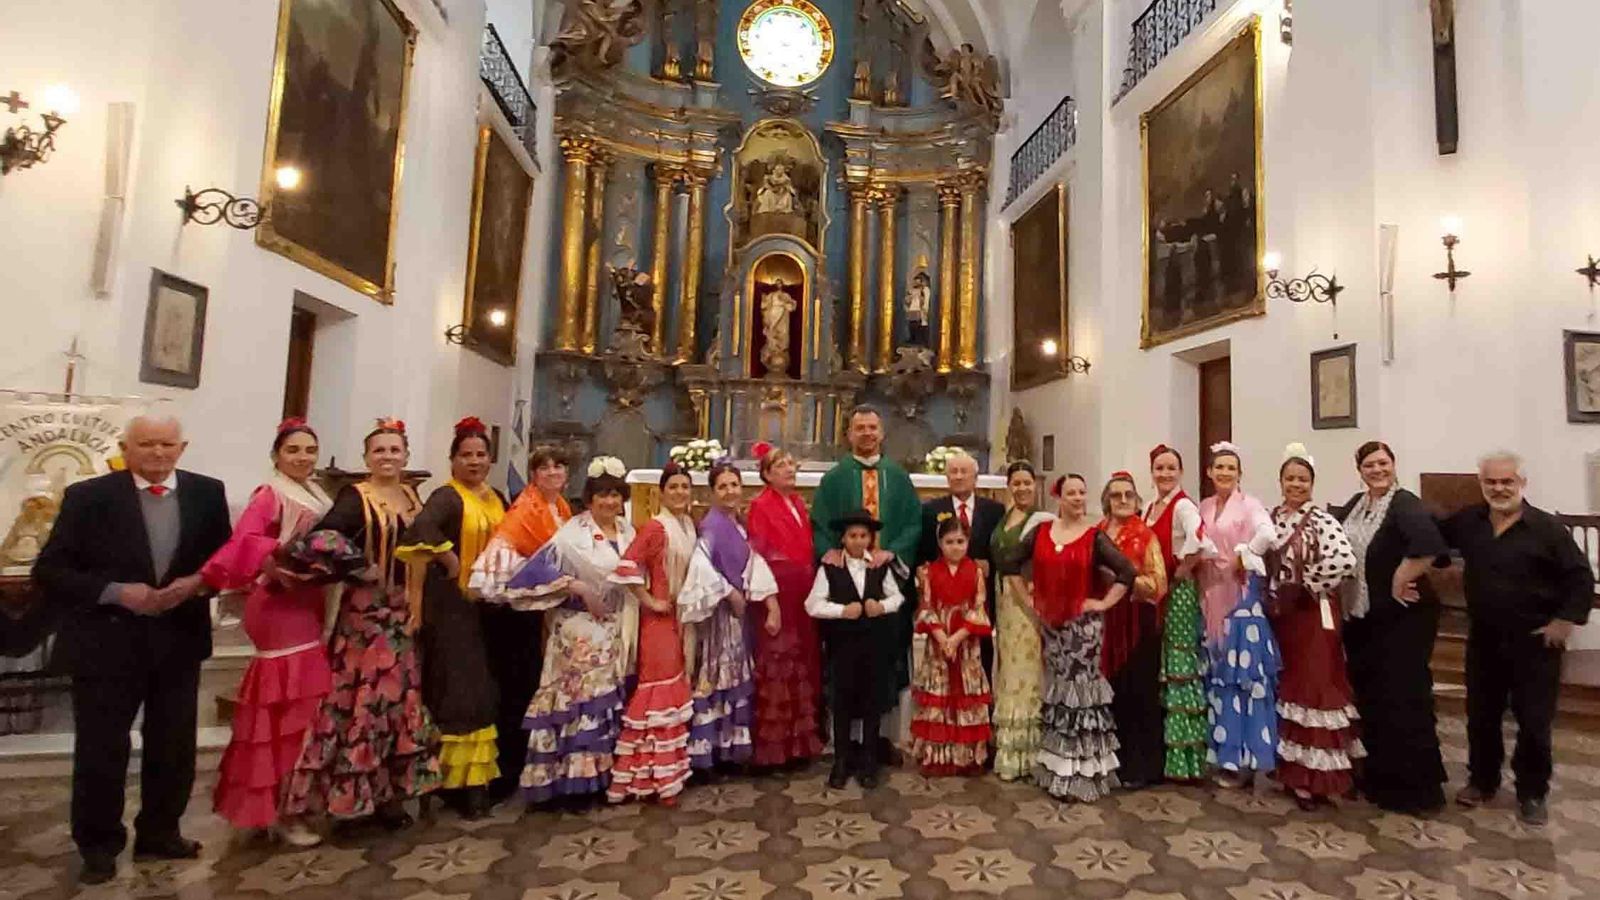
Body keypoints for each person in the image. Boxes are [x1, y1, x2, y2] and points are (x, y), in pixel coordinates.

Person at [35, 414, 232, 884]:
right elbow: (52, 569)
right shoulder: (89, 497)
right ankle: (98, 845)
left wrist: (199, 583)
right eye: (146, 445)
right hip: (107, 643)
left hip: (178, 642)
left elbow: (223, 559)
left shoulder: (208, 492)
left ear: (183, 447)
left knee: (174, 747)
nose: (158, 454)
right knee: (102, 749)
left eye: (167, 444)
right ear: (127, 447)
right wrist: (117, 592)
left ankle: (161, 832)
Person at [282, 419, 438, 832]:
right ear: (367, 457)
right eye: (380, 450)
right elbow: (318, 539)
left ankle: (387, 795)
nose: (388, 457)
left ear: (406, 456)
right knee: (362, 705)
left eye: (395, 450)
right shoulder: (356, 496)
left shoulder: (409, 495)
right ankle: (349, 802)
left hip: (405, 610)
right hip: (366, 617)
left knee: (396, 705)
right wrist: (358, 566)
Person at [1442, 451, 1594, 826]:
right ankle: (1482, 781)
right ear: (1481, 484)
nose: (1499, 488)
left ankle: (1532, 792)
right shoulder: (1469, 522)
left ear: (1521, 484)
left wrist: (1563, 622)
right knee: (1481, 716)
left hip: (1535, 644)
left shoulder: (1547, 530)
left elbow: (1580, 579)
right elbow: (1431, 536)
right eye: (1491, 482)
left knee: (1534, 722)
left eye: (1507, 481)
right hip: (1484, 639)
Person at [198, 418, 332, 844]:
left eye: (309, 449)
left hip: (308, 599)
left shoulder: (314, 491)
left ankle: (289, 800)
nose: (303, 457)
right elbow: (246, 540)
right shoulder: (269, 493)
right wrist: (282, 556)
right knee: (285, 706)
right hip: (278, 602)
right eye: (293, 450)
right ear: (277, 455)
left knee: (304, 706)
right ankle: (279, 808)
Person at [502, 457, 634, 805]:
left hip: (614, 626)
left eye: (616, 495)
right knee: (578, 705)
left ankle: (599, 777)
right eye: (603, 496)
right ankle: (569, 783)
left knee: (603, 703)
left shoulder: (628, 530)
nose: (610, 502)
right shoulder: (572, 533)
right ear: (589, 498)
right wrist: (578, 586)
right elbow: (527, 576)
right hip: (578, 631)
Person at [397, 417, 507, 819]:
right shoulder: (447, 495)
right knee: (462, 693)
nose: (474, 462)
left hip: (488, 604)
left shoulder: (495, 496)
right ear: (452, 459)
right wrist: (448, 555)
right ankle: (459, 786)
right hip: (453, 608)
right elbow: (420, 529)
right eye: (466, 455)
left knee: (484, 692)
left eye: (481, 455)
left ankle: (477, 778)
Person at [1335, 441, 1450, 814]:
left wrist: (1403, 575)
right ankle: (1380, 778)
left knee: (1403, 699)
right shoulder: (1357, 503)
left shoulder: (1405, 503)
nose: (1377, 470)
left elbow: (1430, 545)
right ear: (1360, 470)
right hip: (1365, 618)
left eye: (1382, 463)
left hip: (1402, 618)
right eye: (1369, 464)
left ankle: (1416, 790)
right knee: (1372, 699)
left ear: (1393, 465)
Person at [811, 405, 921, 760]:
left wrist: (892, 552)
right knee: (846, 666)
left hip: (883, 581)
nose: (867, 433)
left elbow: (913, 525)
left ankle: (881, 738)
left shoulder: (898, 477)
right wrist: (830, 553)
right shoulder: (835, 478)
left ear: (882, 433)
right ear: (849, 434)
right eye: (860, 428)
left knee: (885, 660)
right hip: (845, 587)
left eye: (873, 427)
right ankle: (846, 743)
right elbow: (820, 525)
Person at [1020, 474, 1136, 802]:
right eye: (1071, 493)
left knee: (1080, 695)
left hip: (1083, 630)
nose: (1077, 498)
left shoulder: (1094, 537)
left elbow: (1127, 572)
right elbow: (1010, 563)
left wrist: (1102, 602)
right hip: (1052, 626)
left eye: (1082, 493)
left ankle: (1082, 774)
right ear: (1059, 497)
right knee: (1060, 691)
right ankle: (1059, 769)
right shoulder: (1042, 532)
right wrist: (1029, 598)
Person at [468, 448, 571, 805]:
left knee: (533, 686)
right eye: (544, 468)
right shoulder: (526, 510)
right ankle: (505, 773)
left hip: (540, 609)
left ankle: (529, 762)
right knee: (517, 688)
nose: (552, 472)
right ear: (533, 474)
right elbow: (504, 562)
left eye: (558, 466)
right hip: (515, 612)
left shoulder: (560, 507)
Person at [1264, 444, 1359, 810]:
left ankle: (1316, 778)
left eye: (1302, 479)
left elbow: (1345, 560)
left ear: (1312, 483)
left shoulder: (1321, 521)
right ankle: (1291, 771)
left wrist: (1306, 585)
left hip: (1312, 615)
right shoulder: (1272, 518)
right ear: (1281, 482)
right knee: (1288, 686)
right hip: (1281, 616)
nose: (1296, 484)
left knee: (1313, 686)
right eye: (1290, 478)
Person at [606, 464, 698, 804]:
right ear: (661, 492)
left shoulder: (688, 525)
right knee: (656, 698)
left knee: (673, 695)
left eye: (684, 487)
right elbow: (626, 567)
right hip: (658, 624)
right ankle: (646, 778)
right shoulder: (656, 528)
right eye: (672, 487)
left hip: (681, 619)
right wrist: (650, 601)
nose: (679, 492)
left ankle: (667, 776)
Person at [682, 462, 776, 772]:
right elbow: (700, 567)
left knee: (735, 679)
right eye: (722, 486)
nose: (729, 491)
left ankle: (730, 749)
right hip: (719, 619)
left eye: (734, 485)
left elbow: (753, 563)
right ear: (712, 492)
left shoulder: (738, 524)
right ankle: (708, 756)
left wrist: (766, 600)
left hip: (739, 620)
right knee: (716, 680)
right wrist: (729, 592)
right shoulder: (711, 526)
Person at [1196, 442, 1280, 787]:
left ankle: (1243, 759)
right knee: (1215, 676)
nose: (1225, 473)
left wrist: (1244, 556)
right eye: (1220, 467)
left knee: (1239, 679)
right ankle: (1221, 753)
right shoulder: (1203, 506)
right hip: (1209, 593)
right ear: (1210, 472)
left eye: (1231, 468)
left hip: (1240, 597)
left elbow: (1268, 534)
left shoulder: (1251, 505)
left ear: (1239, 473)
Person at [806, 509, 906, 789]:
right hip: (843, 647)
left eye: (864, 535)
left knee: (872, 702)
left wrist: (882, 606)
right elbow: (812, 604)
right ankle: (841, 761)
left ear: (870, 538)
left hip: (874, 645)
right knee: (843, 703)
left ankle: (869, 761)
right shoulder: (830, 568)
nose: (858, 541)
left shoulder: (879, 566)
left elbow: (897, 596)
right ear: (844, 538)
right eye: (853, 535)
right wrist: (841, 610)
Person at [744, 443, 825, 768]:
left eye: (792, 464)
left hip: (802, 595)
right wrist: (772, 600)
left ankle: (798, 743)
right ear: (766, 473)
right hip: (778, 595)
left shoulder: (796, 503)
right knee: (778, 665)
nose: (790, 470)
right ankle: (773, 749)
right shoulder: (760, 506)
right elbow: (760, 555)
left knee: (801, 663)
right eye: (782, 466)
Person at [1143, 445, 1215, 782]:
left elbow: (1200, 540)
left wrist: (1181, 571)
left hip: (1177, 594)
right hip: (1157, 594)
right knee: (1164, 663)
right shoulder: (1150, 506)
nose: (1165, 474)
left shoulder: (1183, 505)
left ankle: (1185, 759)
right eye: (1159, 468)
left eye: (1171, 468)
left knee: (1179, 665)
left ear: (1181, 472)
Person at [1097, 471, 1168, 790]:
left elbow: (1158, 584)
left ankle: (1141, 766)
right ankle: (1112, 761)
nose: (1123, 500)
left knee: (1138, 694)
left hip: (1136, 624)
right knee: (1110, 694)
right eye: (1116, 495)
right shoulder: (1097, 532)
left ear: (1138, 501)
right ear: (1107, 501)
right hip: (1103, 623)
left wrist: (1124, 580)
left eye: (1128, 495)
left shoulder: (1145, 536)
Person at [910, 516, 992, 775]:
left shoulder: (976, 572)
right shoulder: (929, 572)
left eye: (960, 541)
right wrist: (942, 637)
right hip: (938, 645)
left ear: (968, 542)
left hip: (967, 645)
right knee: (940, 694)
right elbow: (926, 607)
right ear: (939, 543)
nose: (955, 547)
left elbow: (979, 608)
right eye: (949, 542)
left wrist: (957, 638)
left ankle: (968, 756)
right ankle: (938, 755)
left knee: (967, 694)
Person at [990, 461, 1053, 780]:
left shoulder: (1041, 520)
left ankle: (1027, 754)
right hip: (1004, 600)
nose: (1023, 488)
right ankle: (1008, 747)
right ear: (1009, 486)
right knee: (1008, 669)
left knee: (1026, 670)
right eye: (1017, 483)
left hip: (1027, 599)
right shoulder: (1006, 517)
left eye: (1028, 483)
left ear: (1036, 485)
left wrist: (1033, 598)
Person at [919, 451, 1004, 674]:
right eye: (953, 472)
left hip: (978, 594)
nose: (958, 476)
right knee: (943, 652)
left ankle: (982, 701)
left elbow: (999, 549)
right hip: (944, 594)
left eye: (963, 472)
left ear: (975, 477)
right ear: (947, 478)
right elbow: (925, 549)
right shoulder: (930, 510)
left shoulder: (995, 510)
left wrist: (989, 564)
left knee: (981, 648)